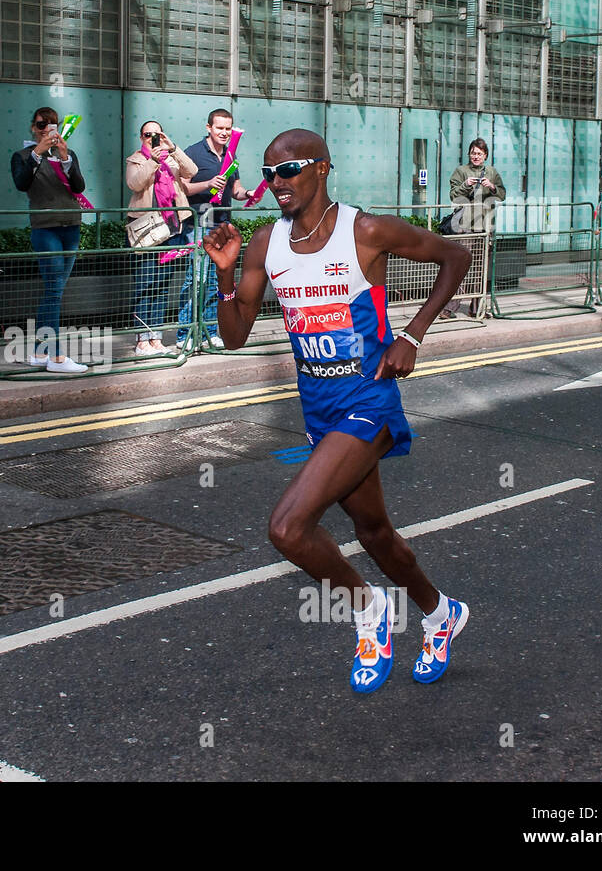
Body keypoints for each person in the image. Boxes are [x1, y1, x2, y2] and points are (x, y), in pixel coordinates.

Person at [203, 128, 472, 693]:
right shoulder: (263, 245)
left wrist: (414, 336)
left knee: (287, 527)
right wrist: (225, 273)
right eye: (268, 172)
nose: (277, 182)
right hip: (319, 409)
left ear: (323, 168)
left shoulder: (364, 230)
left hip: (367, 400)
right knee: (373, 532)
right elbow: (232, 337)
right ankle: (440, 612)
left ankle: (368, 611)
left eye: (290, 169)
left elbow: (456, 255)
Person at [9, 106, 88, 373]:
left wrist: (65, 158)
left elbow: (79, 187)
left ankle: (39, 352)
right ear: (33, 127)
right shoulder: (22, 156)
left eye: (52, 124)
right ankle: (55, 357)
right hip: (45, 228)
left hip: (71, 227)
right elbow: (21, 184)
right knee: (54, 290)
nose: (47, 128)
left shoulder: (67, 154)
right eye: (42, 124)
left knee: (54, 291)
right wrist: (37, 153)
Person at [181, 109, 252, 351]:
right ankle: (185, 334)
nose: (224, 132)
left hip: (222, 224)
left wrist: (248, 194)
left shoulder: (230, 155)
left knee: (216, 281)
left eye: (228, 128)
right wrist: (208, 184)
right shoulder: (193, 153)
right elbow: (183, 188)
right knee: (195, 280)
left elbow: (236, 190)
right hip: (198, 224)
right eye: (219, 127)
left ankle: (210, 332)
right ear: (208, 127)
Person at [125, 120, 196, 355]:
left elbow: (192, 171)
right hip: (148, 230)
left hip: (173, 228)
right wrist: (153, 161)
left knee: (163, 285)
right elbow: (135, 184)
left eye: (157, 134)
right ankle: (141, 339)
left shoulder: (171, 157)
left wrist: (173, 147)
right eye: (148, 134)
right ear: (141, 136)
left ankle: (156, 337)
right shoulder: (135, 159)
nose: (153, 138)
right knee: (146, 283)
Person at [443, 138, 506, 317]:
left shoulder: (492, 172)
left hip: (485, 226)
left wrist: (492, 186)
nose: (476, 156)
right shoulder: (461, 171)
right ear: (469, 154)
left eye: (479, 153)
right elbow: (453, 196)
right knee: (460, 266)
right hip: (464, 226)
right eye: (473, 152)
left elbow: (502, 195)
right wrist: (465, 185)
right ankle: (449, 308)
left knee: (481, 269)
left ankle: (477, 308)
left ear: (485, 155)